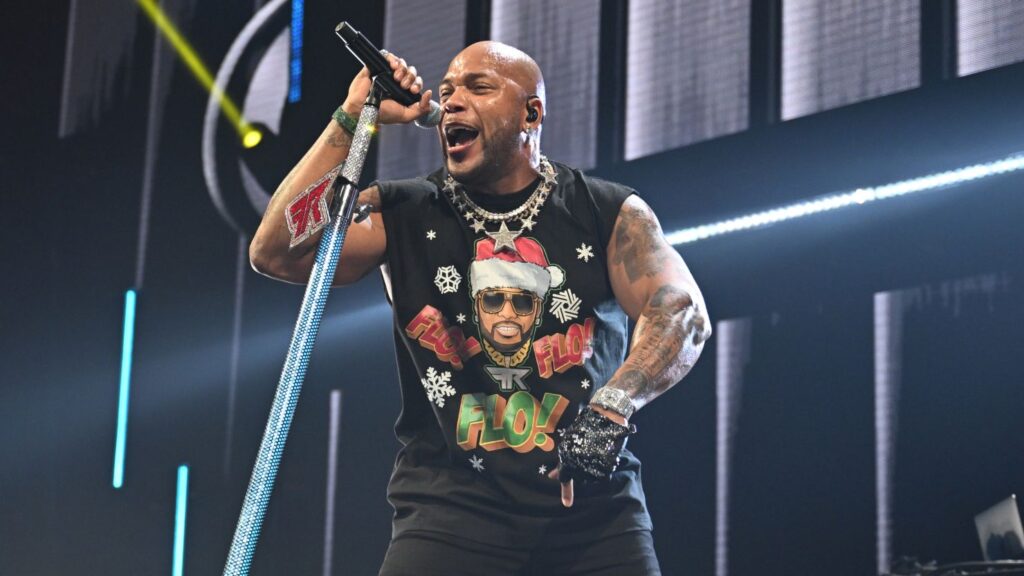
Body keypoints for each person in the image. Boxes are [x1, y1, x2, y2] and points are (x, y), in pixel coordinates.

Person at [250, 40, 711, 576]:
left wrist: (612, 408)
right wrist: (353, 116)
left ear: (530, 114)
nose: (451, 101)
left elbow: (681, 312)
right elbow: (275, 250)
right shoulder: (403, 211)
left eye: (479, 87)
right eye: (446, 90)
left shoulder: (605, 212)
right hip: (449, 514)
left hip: (591, 516)